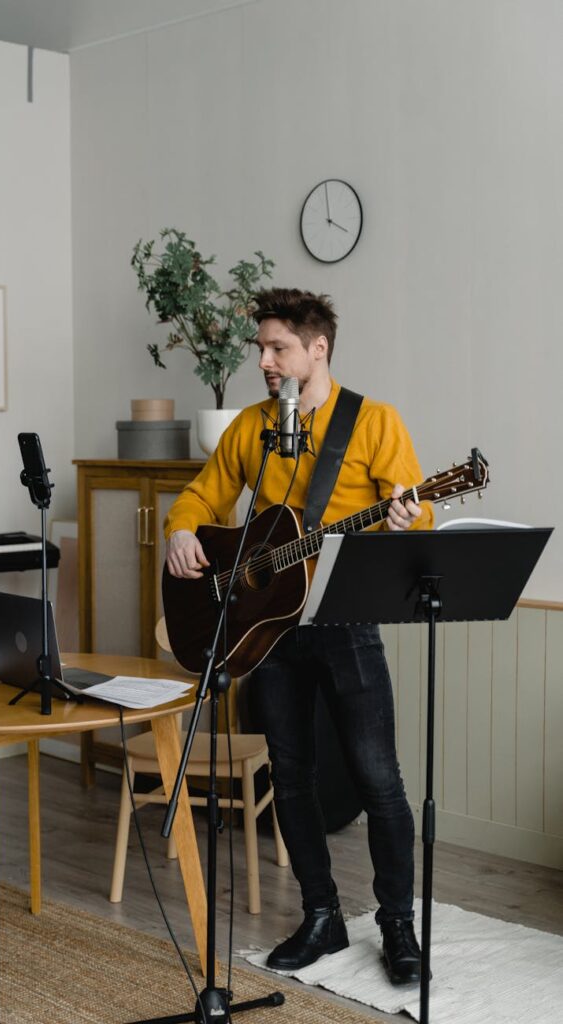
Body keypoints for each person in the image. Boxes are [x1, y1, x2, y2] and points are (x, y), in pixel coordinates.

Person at [164, 287, 433, 985]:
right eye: (261, 348)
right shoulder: (251, 425)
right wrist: (183, 529)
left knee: (379, 778)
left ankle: (397, 924)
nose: (265, 361)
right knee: (291, 776)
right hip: (266, 631)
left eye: (278, 347)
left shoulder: (373, 422)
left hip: (343, 622)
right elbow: (204, 494)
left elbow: (417, 513)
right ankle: (321, 916)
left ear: (318, 349)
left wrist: (411, 520)